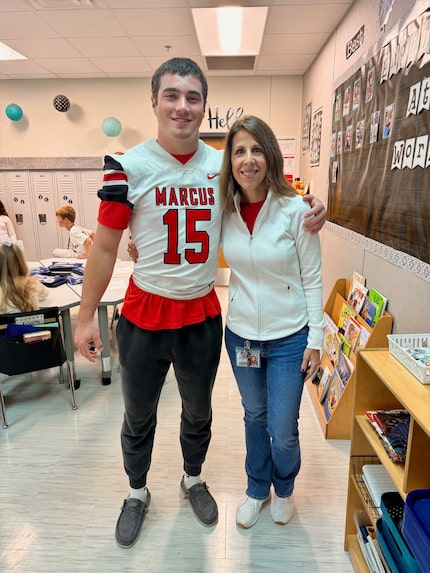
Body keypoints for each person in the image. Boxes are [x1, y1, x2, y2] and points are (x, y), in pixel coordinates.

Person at [73, 57, 326, 549]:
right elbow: (104, 246)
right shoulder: (128, 166)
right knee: (138, 414)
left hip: (201, 315)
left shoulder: (223, 165)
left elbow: (270, 200)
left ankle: (192, 478)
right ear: (154, 101)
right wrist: (86, 316)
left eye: (192, 97)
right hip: (145, 312)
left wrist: (315, 205)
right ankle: (137, 491)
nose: (182, 107)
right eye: (172, 95)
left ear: (205, 105)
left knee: (198, 412)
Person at [219, 115, 324, 529]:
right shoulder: (222, 209)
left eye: (257, 149)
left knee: (282, 428)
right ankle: (256, 488)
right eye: (239, 151)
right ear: (230, 159)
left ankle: (284, 488)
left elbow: (313, 277)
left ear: (270, 156)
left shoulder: (296, 210)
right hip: (242, 336)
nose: (248, 160)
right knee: (253, 416)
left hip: (289, 340)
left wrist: (316, 338)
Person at [0, 241, 48, 313]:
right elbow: (46, 293)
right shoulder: (31, 284)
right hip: (32, 324)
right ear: (21, 262)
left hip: (6, 324)